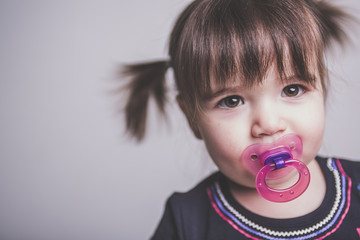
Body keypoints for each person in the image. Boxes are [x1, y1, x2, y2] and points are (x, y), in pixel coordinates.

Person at [122, 0, 360, 239]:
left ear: (323, 88)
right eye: (232, 101)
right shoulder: (186, 221)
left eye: (292, 90)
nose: (269, 124)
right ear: (191, 117)